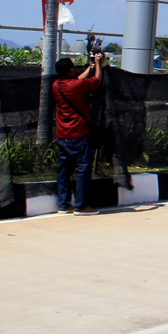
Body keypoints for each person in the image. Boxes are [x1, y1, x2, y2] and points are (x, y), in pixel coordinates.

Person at [53, 53, 104, 215]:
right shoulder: (75, 86)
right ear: (69, 71)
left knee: (63, 170)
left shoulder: (57, 85)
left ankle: (64, 204)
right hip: (79, 134)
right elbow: (96, 82)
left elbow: (77, 81)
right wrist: (98, 65)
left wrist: (89, 68)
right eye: (73, 68)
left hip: (63, 135)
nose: (76, 69)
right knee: (82, 169)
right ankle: (82, 206)